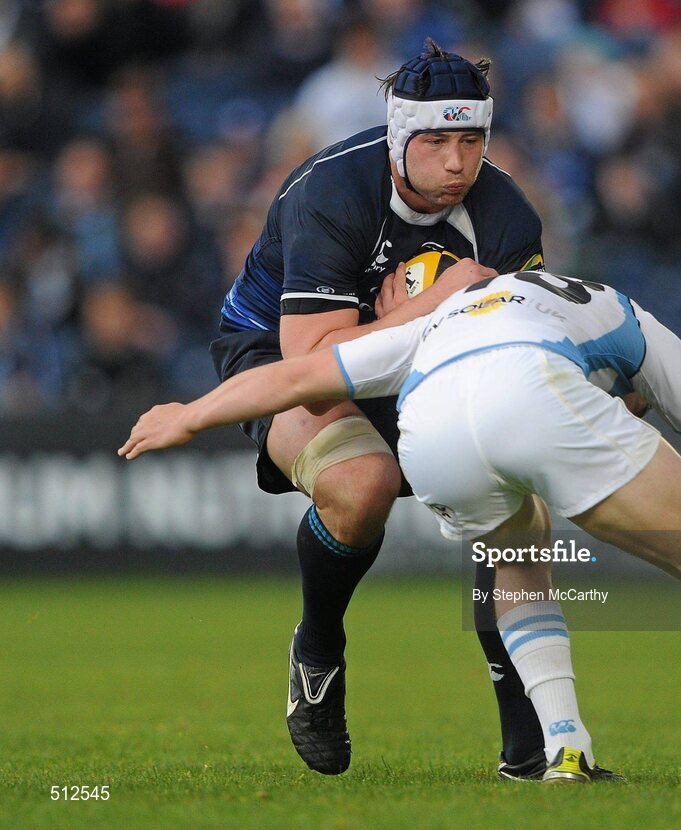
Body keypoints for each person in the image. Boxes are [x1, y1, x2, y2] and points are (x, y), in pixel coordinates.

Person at [121, 267, 681, 786]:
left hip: (430, 435)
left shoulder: (419, 326)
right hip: (537, 391)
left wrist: (188, 416)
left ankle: (565, 749)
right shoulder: (619, 310)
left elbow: (294, 375)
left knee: (517, 554)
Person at [209, 40, 549, 776]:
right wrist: (430, 307)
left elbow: (523, 350)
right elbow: (314, 371)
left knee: (515, 507)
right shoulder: (329, 192)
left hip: (419, 356)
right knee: (361, 485)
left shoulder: (507, 214)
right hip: (277, 355)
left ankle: (531, 751)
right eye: (435, 141)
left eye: (471, 140)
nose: (457, 163)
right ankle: (318, 648)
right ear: (399, 136)